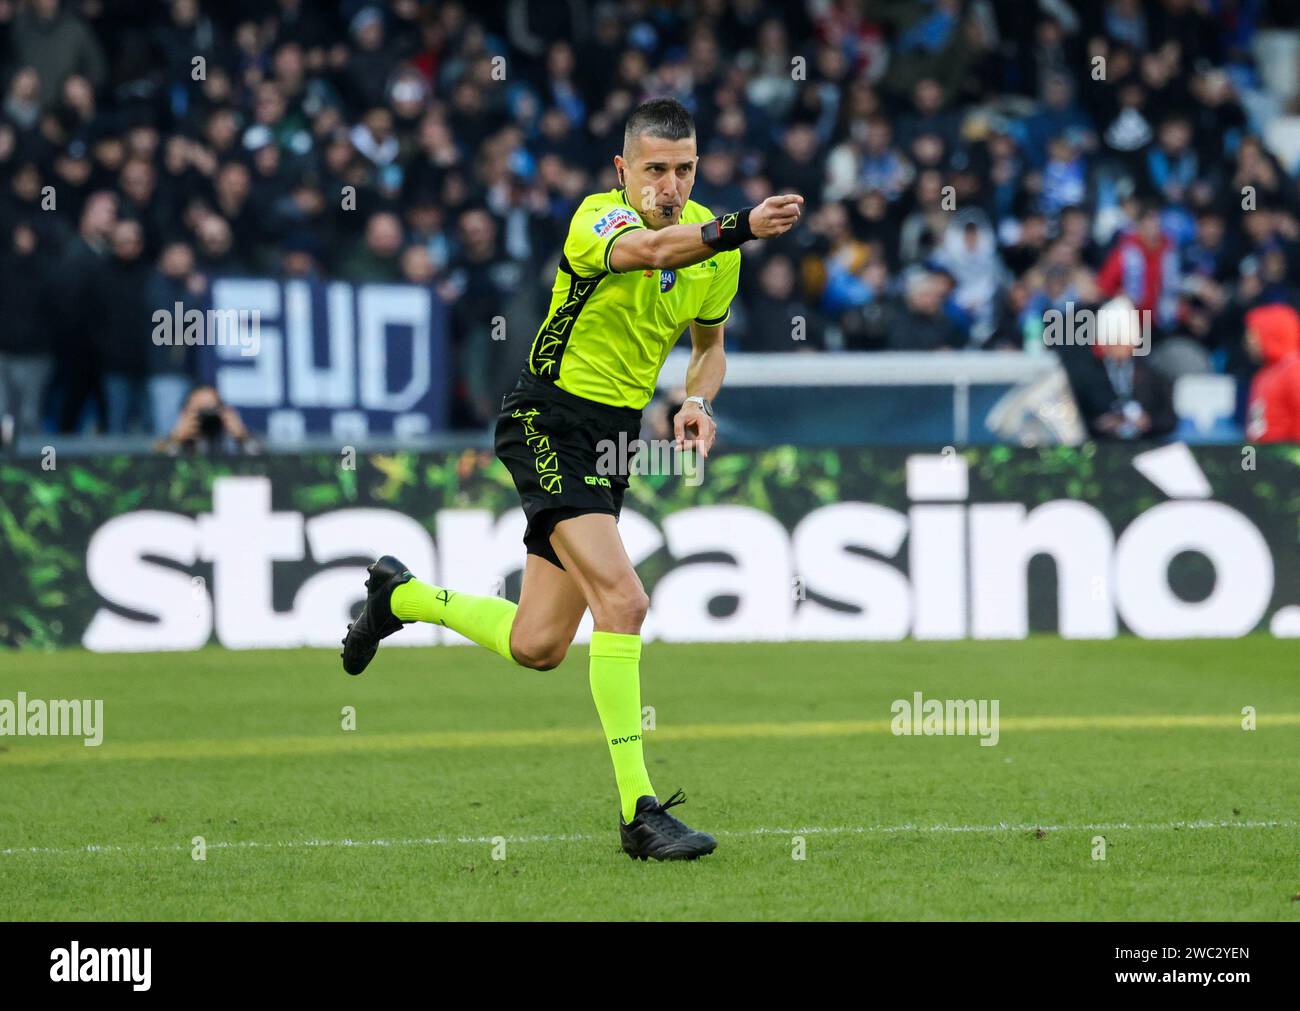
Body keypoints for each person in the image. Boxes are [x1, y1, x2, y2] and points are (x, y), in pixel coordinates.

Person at [339, 98, 804, 861]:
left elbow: (709, 345)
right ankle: (639, 813)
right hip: (546, 420)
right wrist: (742, 225)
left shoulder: (715, 248)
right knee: (624, 600)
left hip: (614, 438)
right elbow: (652, 255)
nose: (670, 186)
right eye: (654, 170)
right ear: (624, 170)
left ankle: (399, 596)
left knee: (540, 643)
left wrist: (695, 398)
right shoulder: (600, 220)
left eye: (684, 169)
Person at [1244, 304, 1300, 443]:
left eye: (1253, 334)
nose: (1248, 341)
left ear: (1271, 333)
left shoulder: (1294, 371)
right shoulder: (1263, 375)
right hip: (1265, 458)